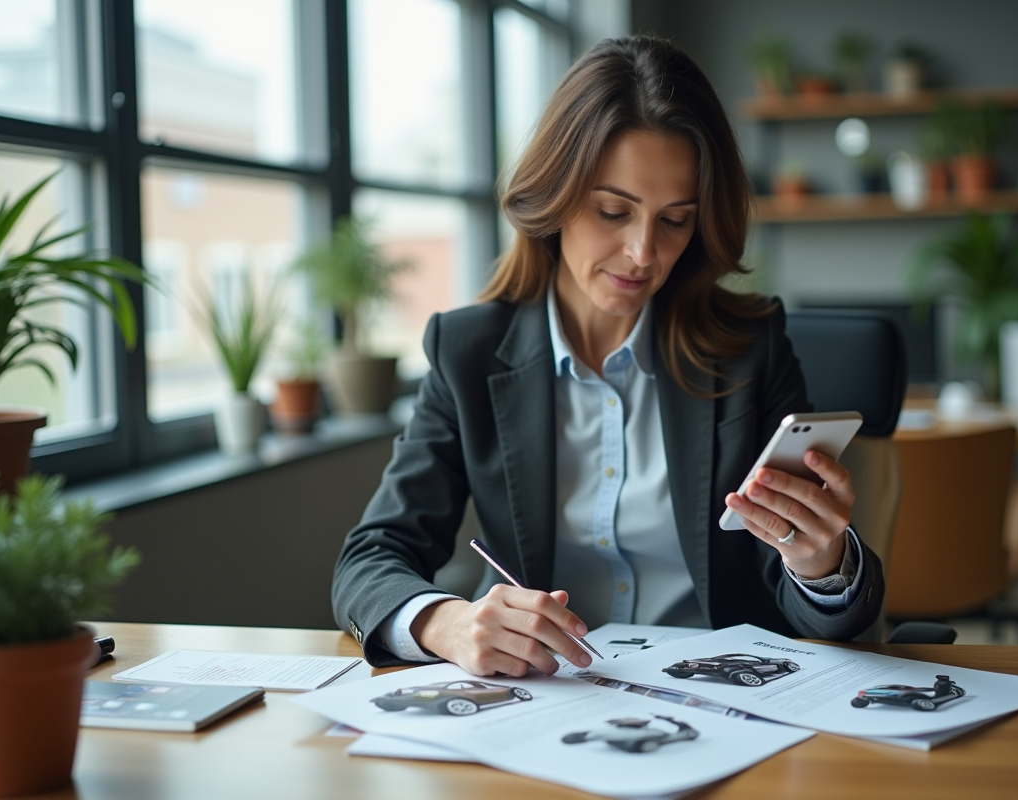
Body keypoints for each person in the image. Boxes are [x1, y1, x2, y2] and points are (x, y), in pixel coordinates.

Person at [332, 35, 884, 674]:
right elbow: (371, 557)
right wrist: (445, 622)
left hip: (730, 695)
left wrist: (820, 564)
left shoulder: (749, 348)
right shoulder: (470, 352)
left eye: (675, 220)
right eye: (613, 211)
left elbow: (822, 611)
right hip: (548, 699)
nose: (644, 253)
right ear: (555, 198)